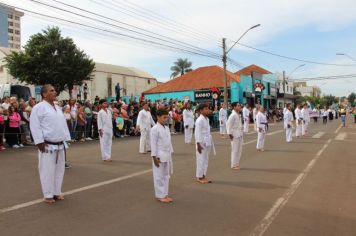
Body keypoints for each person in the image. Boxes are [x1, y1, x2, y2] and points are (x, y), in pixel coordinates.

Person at [30, 84, 71, 204]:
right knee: (47, 170)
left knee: (59, 170)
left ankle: (57, 192)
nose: (55, 92)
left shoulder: (57, 108)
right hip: (47, 145)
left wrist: (66, 138)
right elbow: (35, 126)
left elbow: (62, 124)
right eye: (51, 90)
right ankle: (48, 194)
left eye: (54, 90)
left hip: (60, 144)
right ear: (44, 94)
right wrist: (39, 142)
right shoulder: (39, 108)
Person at [150, 108, 174, 203]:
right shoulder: (154, 129)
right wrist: (154, 157)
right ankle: (160, 195)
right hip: (159, 155)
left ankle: (165, 194)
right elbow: (153, 144)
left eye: (167, 118)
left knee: (166, 175)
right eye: (164, 117)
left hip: (166, 154)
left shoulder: (166, 128)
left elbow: (168, 142)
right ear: (158, 117)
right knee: (158, 176)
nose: (166, 119)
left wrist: (171, 152)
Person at [195, 104, 215, 184]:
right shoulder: (199, 120)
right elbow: (197, 133)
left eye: (208, 109)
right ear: (200, 111)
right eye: (206, 109)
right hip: (201, 142)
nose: (208, 110)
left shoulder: (206, 119)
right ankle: (199, 176)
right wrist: (198, 144)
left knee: (205, 159)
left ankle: (203, 175)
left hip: (207, 141)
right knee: (201, 160)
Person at [226, 102, 243, 170]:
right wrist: (230, 134)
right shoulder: (233, 115)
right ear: (234, 107)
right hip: (234, 134)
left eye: (239, 105)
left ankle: (237, 163)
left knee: (239, 150)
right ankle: (233, 164)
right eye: (238, 106)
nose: (239, 107)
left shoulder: (238, 114)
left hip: (239, 133)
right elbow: (228, 125)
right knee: (235, 150)